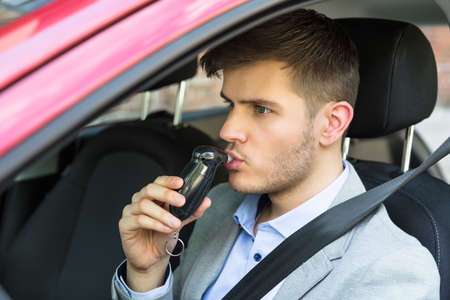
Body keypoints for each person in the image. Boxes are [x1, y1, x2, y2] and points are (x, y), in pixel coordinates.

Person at [111, 9, 440, 300]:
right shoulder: (219, 207)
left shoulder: (391, 270)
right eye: (231, 104)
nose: (227, 131)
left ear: (331, 123)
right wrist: (147, 274)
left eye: (261, 109)